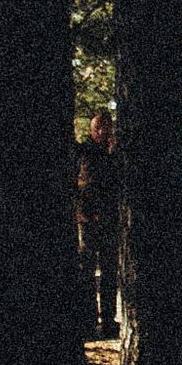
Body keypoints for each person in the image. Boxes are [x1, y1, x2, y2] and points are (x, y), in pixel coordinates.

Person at [77, 107, 123, 337]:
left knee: (109, 273)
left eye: (106, 126)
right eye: (98, 127)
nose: (103, 131)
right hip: (86, 222)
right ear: (90, 129)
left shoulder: (116, 155)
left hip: (110, 222)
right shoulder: (82, 152)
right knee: (86, 274)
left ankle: (108, 319)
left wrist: (114, 154)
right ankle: (87, 319)